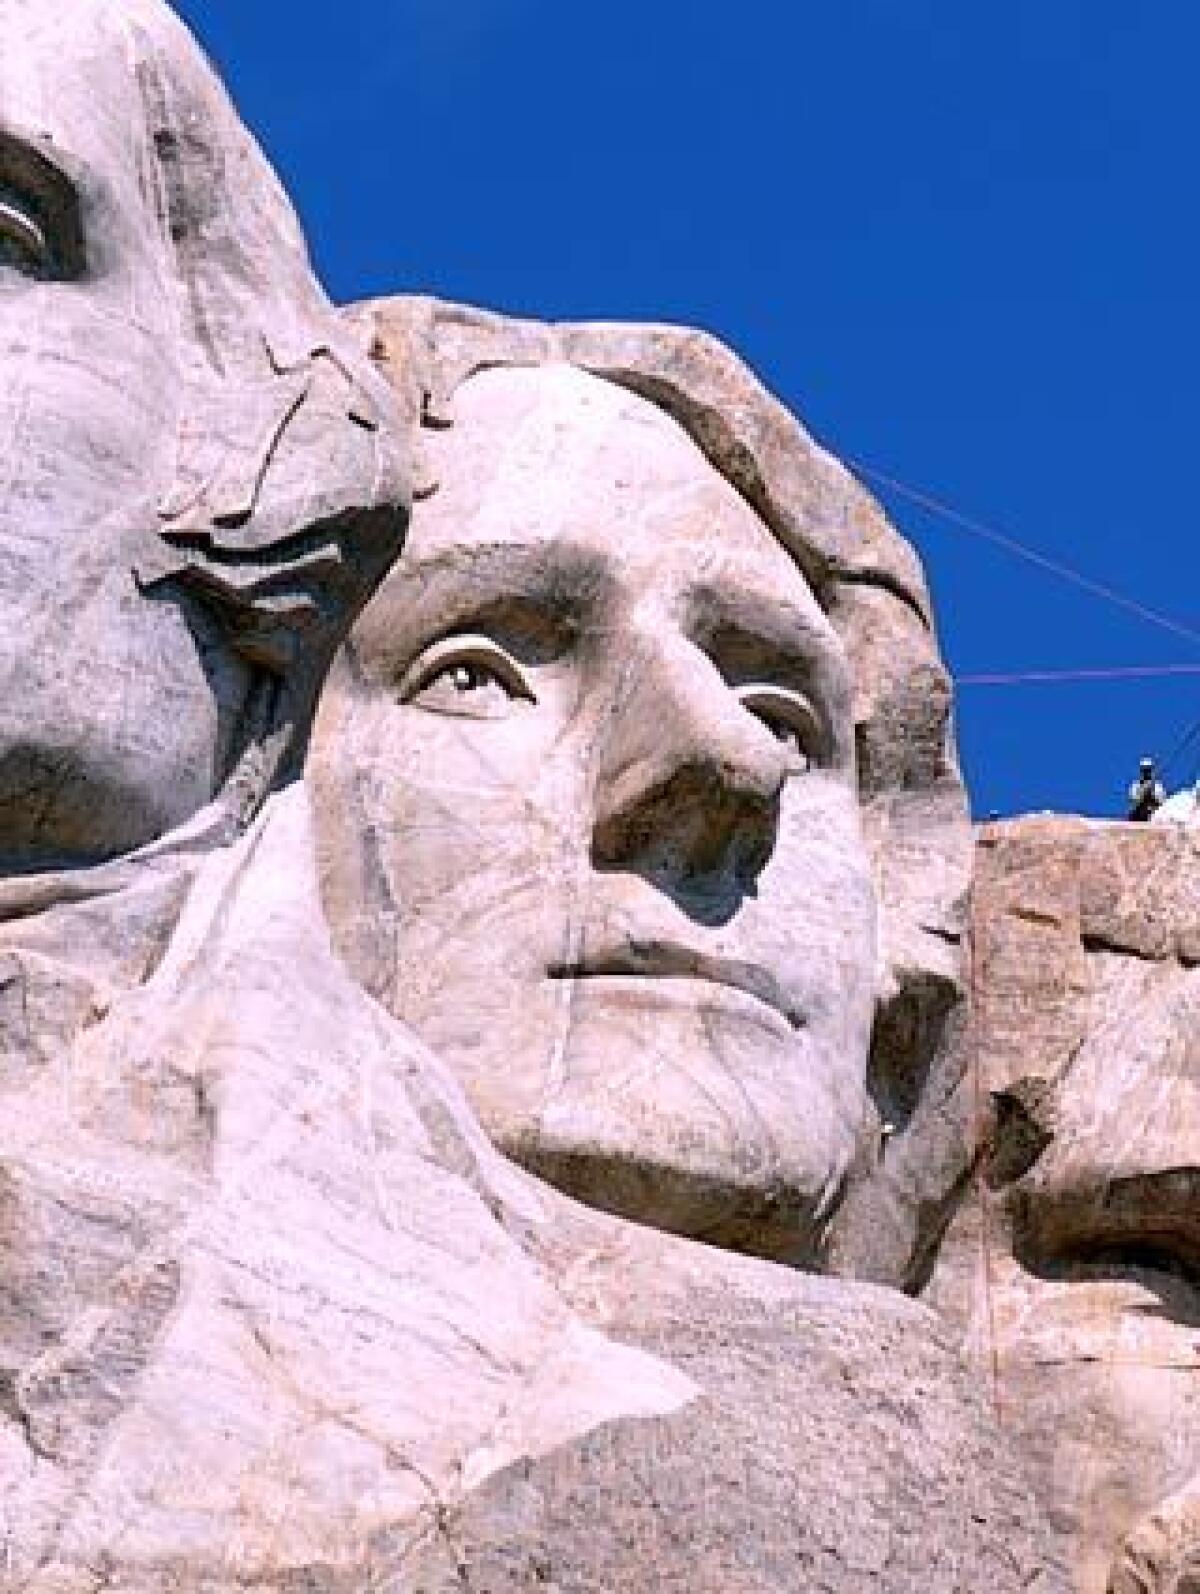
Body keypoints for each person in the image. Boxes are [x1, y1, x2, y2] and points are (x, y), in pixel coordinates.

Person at [1128, 756, 1167, 821]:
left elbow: (1162, 800)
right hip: (1139, 816)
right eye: (1144, 770)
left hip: (1154, 815)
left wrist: (1152, 793)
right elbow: (1133, 799)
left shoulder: (1158, 785)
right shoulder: (1135, 785)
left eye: (1148, 770)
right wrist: (1143, 791)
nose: (1146, 773)